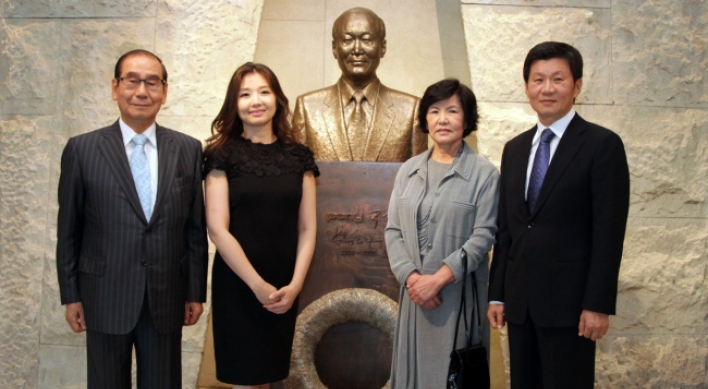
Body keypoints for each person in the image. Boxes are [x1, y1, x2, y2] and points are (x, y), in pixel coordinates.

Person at [56, 49, 208, 388]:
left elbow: (194, 229)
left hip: (165, 296)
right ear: (115, 87)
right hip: (103, 294)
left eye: (152, 82)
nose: (142, 91)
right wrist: (71, 295)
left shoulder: (187, 149)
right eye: (132, 81)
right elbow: (68, 230)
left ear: (164, 91)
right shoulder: (82, 150)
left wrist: (195, 291)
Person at [487, 41, 630, 389]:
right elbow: (508, 230)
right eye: (538, 80)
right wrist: (498, 293)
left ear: (577, 86)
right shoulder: (515, 149)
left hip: (572, 308)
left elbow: (608, 232)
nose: (547, 89)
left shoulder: (601, 145)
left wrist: (597, 304)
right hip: (521, 305)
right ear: (526, 87)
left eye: (557, 79)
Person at [203, 62, 318, 388]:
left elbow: (307, 228)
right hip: (238, 284)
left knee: (268, 378)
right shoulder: (221, 155)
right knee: (244, 379)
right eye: (245, 94)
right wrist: (257, 285)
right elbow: (217, 229)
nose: (256, 100)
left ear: (278, 99)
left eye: (264, 92)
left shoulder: (300, 157)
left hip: (285, 284)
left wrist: (295, 285)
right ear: (234, 103)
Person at [385, 79, 499, 387]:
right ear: (425, 119)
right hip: (414, 297)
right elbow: (392, 231)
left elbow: (483, 236)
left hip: (456, 297)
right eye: (434, 111)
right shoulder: (408, 170)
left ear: (467, 119)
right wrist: (413, 279)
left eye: (452, 110)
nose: (443, 119)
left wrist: (437, 281)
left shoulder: (485, 174)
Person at [292, 7, 428, 162]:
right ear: (334, 48)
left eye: (367, 40)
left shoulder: (411, 109)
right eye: (347, 40)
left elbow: (419, 178)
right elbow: (297, 176)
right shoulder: (308, 107)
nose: (357, 49)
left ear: (382, 48)